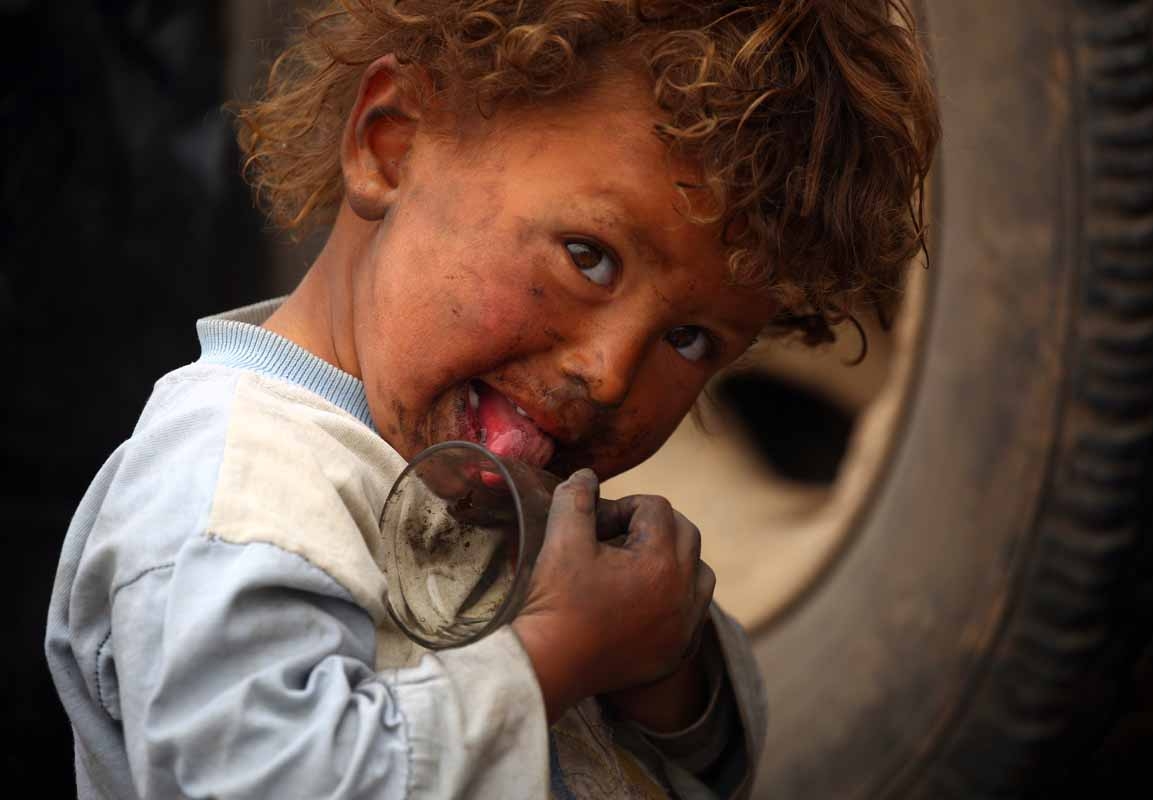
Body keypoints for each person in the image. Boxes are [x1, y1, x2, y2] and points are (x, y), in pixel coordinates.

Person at [45, 1, 938, 797]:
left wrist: (666, 672)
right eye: (589, 256)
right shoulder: (233, 488)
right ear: (389, 143)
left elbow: (700, 760)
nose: (610, 373)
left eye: (691, 339)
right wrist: (555, 653)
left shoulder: (496, 491)